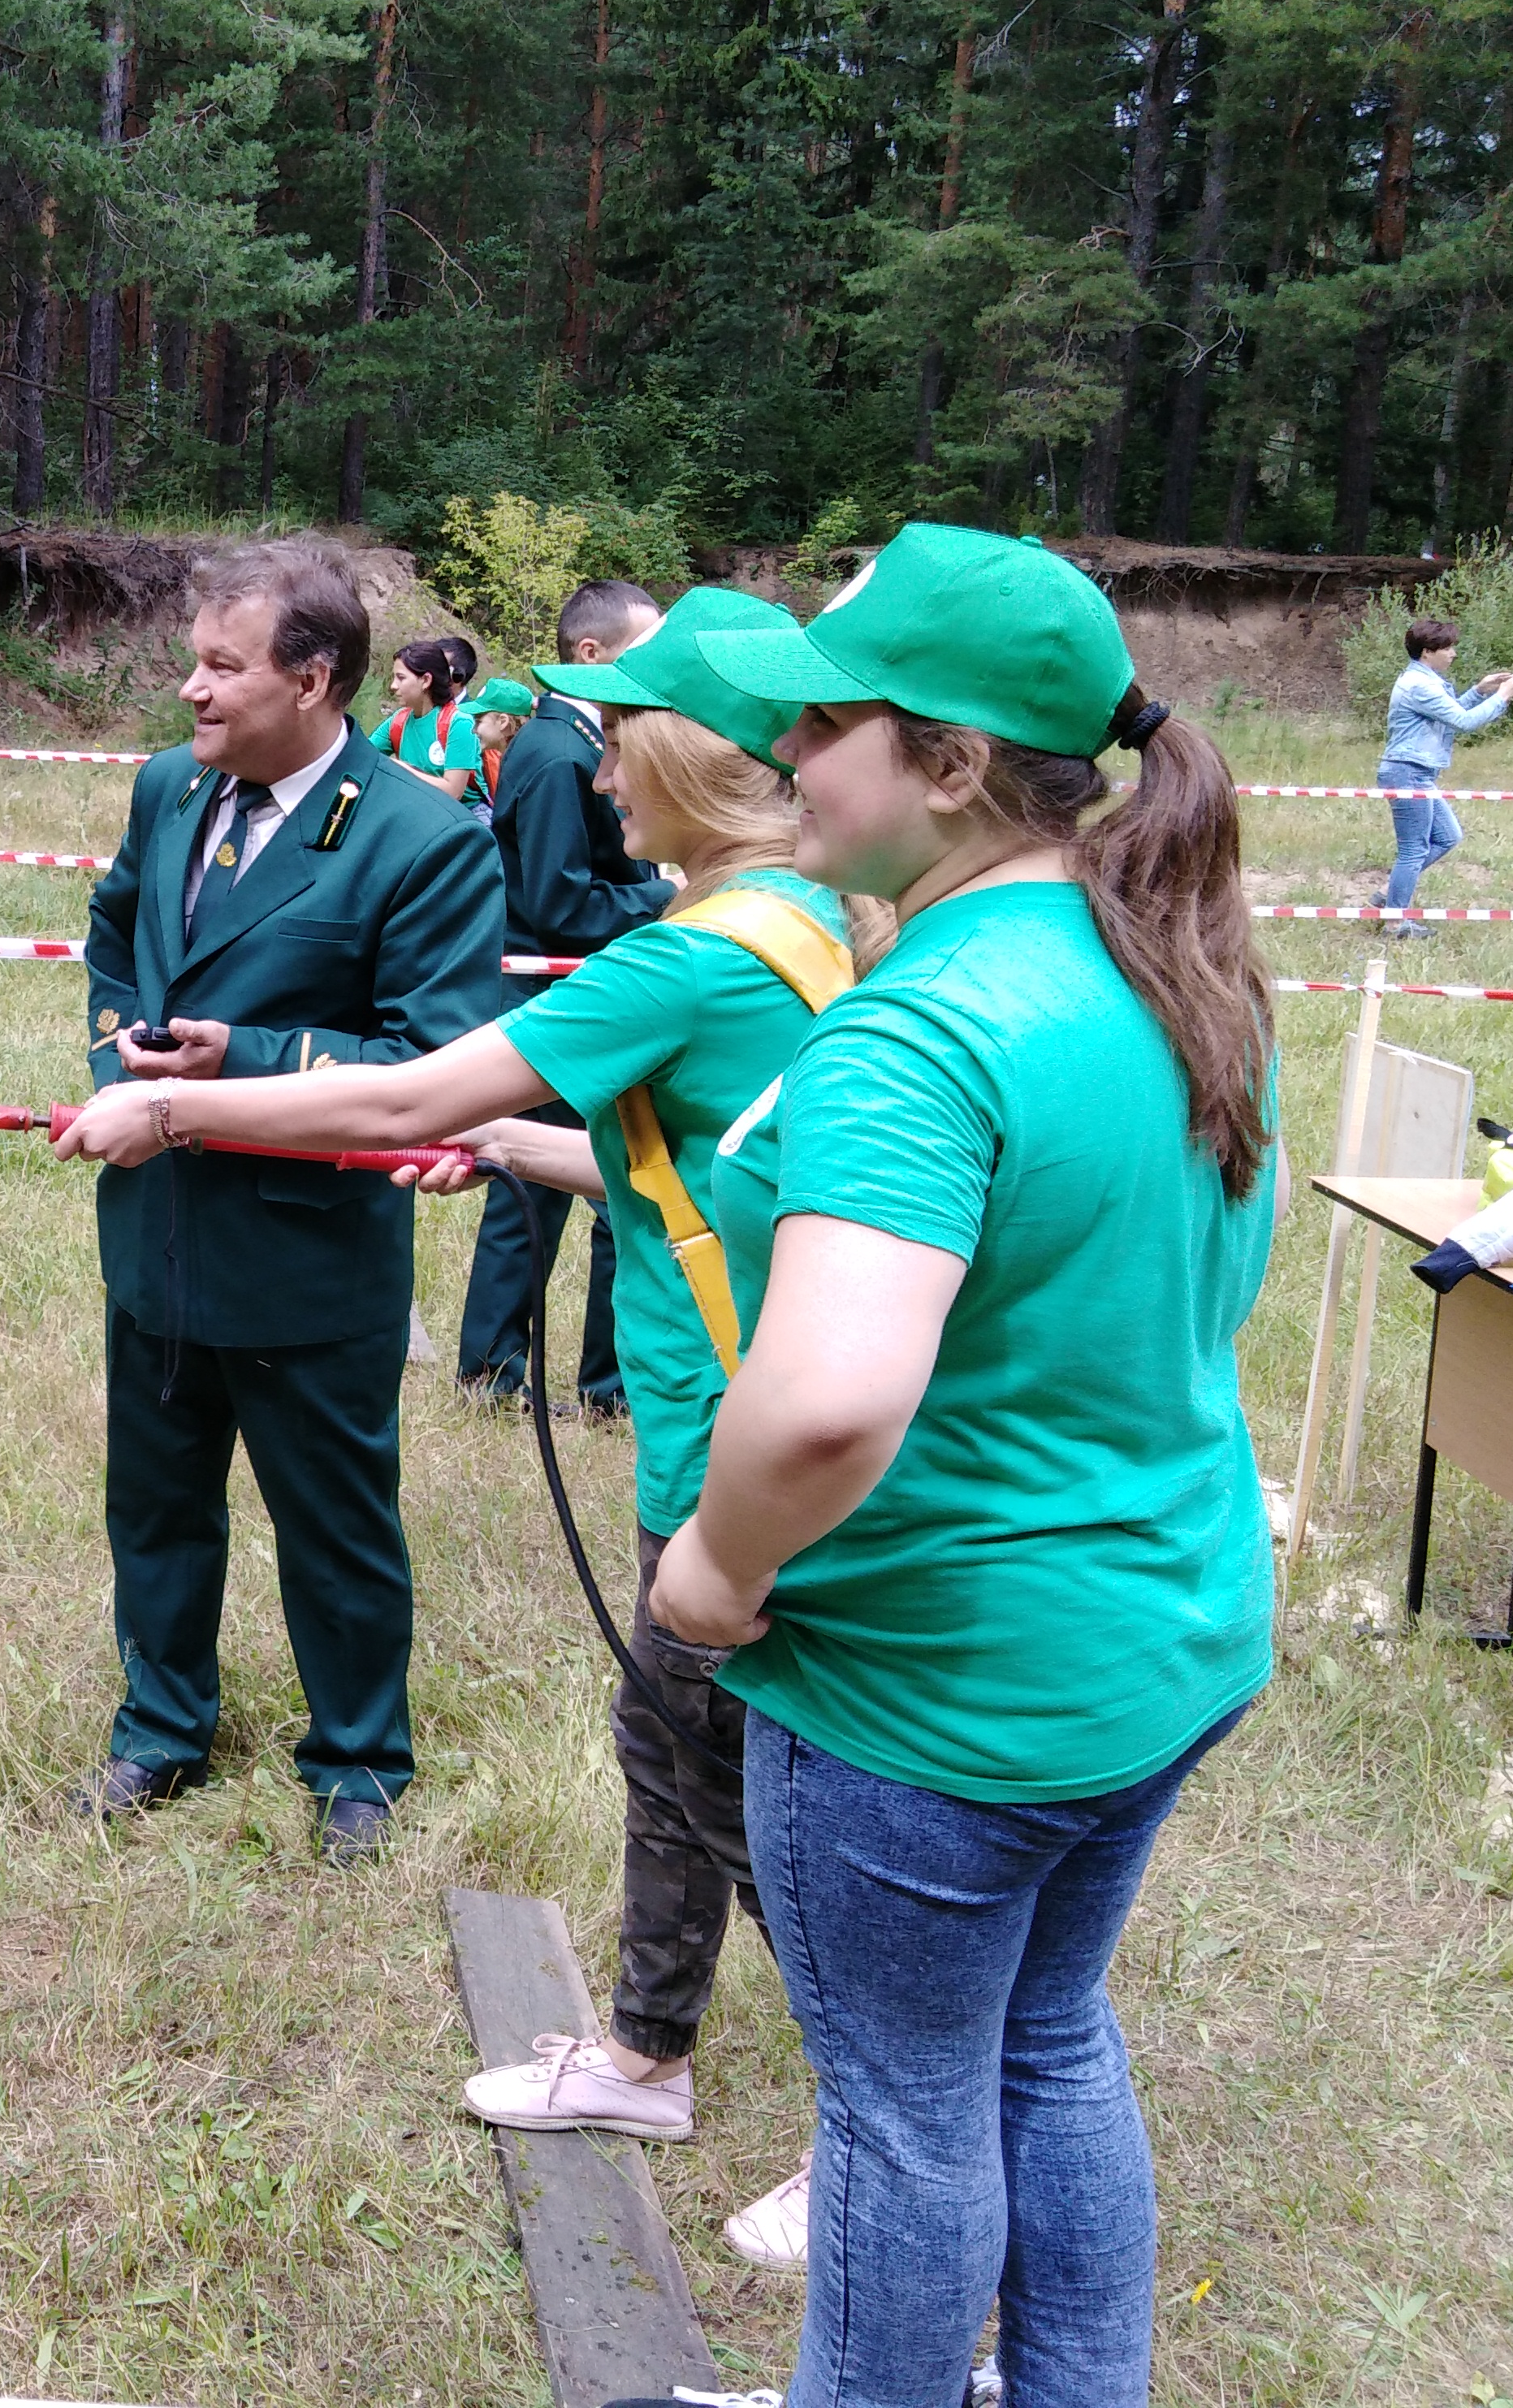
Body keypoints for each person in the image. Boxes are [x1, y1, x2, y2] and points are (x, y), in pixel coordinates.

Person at [50, 585, 871, 2280]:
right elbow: (720, 1167)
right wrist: (520, 1151)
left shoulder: (669, 937)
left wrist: (193, 1092)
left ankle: (881, 2139)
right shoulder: (806, 930)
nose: (570, 766)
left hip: (729, 1431)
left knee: (739, 1788)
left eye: (604, 740)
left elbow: (420, 1081)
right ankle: (643, 2052)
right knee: (674, 1755)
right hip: (672, 1415)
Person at [609, 521, 1274, 2408]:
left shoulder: (919, 1025)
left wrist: (717, 1571)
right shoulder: (1173, 957)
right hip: (1159, 1636)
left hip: (940, 1693)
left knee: (901, 2115)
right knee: (1047, 2040)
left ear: (955, 765)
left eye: (826, 721)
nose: (786, 757)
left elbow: (824, 1401)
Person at [71, 538, 507, 1869]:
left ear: (314, 679)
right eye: (192, 662)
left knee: (333, 1524)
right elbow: (114, 942)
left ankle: (360, 1759)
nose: (191, 693)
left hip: (309, 1259)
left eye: (221, 667)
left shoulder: (421, 841)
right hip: (158, 1230)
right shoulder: (167, 791)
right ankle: (162, 1728)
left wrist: (237, 1063)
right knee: (155, 1505)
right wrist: (119, 1074)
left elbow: (436, 1068)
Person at [456, 579, 674, 1413]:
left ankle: (607, 1387)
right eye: (640, 650)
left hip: (590, 997)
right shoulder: (556, 754)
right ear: (590, 655)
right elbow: (557, 904)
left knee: (610, 1189)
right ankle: (493, 1376)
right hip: (550, 1001)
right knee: (531, 1194)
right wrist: (661, 900)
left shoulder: (578, 744)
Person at [1377, 616, 1513, 937]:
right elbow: (1463, 722)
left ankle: (1388, 897)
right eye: (1447, 648)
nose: (1453, 653)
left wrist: (1480, 690)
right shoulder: (1420, 685)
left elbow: (1448, 713)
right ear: (1427, 652)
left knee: (1448, 837)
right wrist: (1501, 698)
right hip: (1407, 773)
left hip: (1417, 773)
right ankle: (1394, 923)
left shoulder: (1425, 682)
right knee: (1413, 850)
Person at [369, 636, 483, 801]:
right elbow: (366, 753)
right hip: (419, 807)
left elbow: (453, 792)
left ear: (426, 680)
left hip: (462, 817)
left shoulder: (459, 723)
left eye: (401, 678)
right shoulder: (399, 720)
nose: (393, 686)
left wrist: (399, 768)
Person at [467, 676, 534, 814]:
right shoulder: (511, 757)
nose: (473, 730)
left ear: (503, 721)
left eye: (478, 722)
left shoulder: (525, 766)